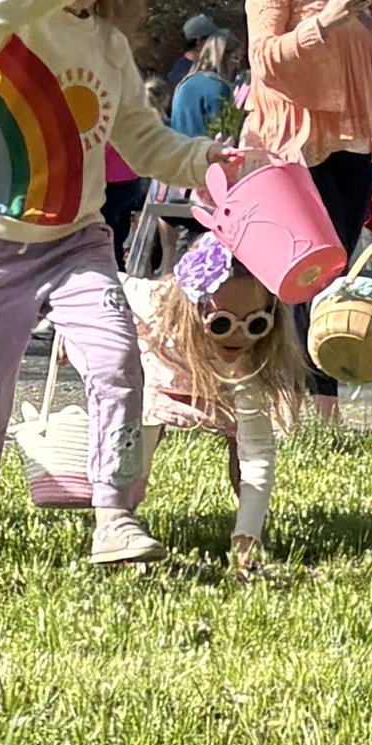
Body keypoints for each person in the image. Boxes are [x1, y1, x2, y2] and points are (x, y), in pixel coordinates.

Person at [0, 0, 232, 568]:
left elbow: (142, 138)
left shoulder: (107, 47)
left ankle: (114, 514)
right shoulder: (7, 18)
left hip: (78, 242)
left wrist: (212, 160)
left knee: (117, 364)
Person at [243, 0, 372, 410]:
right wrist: (323, 23)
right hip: (295, 148)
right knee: (294, 278)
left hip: (354, 149)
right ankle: (286, 403)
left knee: (331, 276)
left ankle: (320, 406)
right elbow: (263, 62)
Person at [126, 236, 308, 572]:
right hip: (166, 372)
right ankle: (122, 522)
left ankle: (246, 524)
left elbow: (257, 455)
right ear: (192, 309)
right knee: (139, 440)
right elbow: (111, 284)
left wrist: (248, 537)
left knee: (244, 450)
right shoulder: (157, 304)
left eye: (255, 324)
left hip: (223, 387)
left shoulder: (249, 360)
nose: (238, 336)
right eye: (221, 323)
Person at [170, 31, 237, 136]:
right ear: (224, 57)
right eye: (235, 58)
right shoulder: (218, 87)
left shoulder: (185, 83)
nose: (237, 66)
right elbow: (222, 132)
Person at [166, 12, 218, 92]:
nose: (215, 42)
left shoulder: (209, 64)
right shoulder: (183, 74)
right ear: (199, 42)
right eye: (211, 38)